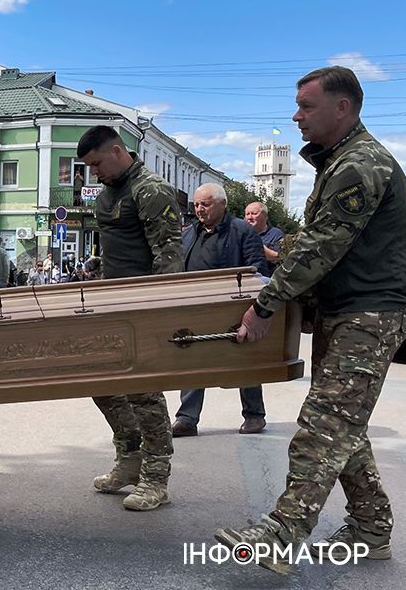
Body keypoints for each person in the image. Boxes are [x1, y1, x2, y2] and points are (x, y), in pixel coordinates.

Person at [216, 66, 406, 574]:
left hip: (370, 313)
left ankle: (281, 537)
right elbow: (316, 242)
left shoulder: (359, 165)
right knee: (345, 428)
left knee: (323, 428)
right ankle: (371, 529)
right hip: (348, 311)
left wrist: (267, 304)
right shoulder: (340, 162)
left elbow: (323, 248)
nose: (296, 115)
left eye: (306, 106)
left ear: (342, 107)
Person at [79, 124, 183, 512]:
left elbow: (169, 258)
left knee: (144, 391)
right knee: (101, 383)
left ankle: (156, 477)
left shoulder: (151, 190)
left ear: (118, 151)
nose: (94, 173)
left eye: (96, 164)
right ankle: (130, 458)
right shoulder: (108, 194)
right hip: (111, 303)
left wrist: (154, 312)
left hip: (143, 306)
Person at [172, 184, 268, 437]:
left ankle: (254, 415)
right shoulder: (189, 233)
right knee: (193, 359)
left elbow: (256, 270)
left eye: (205, 204)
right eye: (196, 205)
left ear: (222, 204)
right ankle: (187, 418)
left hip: (232, 307)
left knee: (242, 358)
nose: (199, 210)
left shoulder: (243, 231)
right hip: (196, 307)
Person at [244, 201, 285, 277]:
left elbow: (281, 258)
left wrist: (260, 248)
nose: (249, 217)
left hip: (267, 281)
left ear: (265, 216)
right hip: (244, 280)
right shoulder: (241, 234)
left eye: (254, 214)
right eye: (247, 214)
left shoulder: (276, 234)